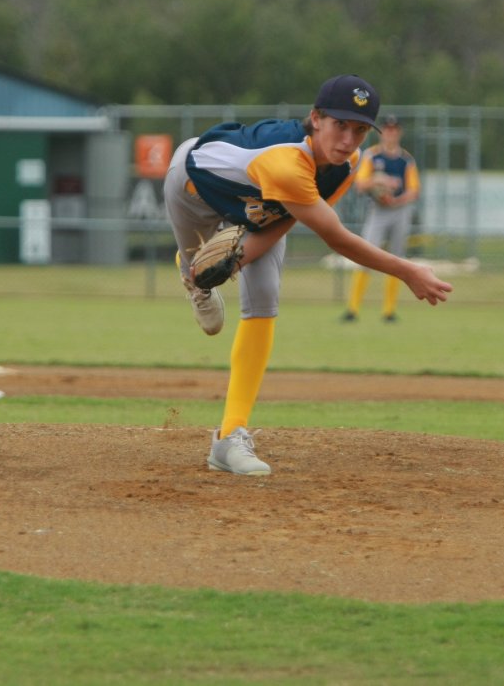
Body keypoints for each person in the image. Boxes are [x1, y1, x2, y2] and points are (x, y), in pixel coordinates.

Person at [163, 74, 453, 476]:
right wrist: (407, 270)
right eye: (340, 125)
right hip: (195, 186)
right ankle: (192, 274)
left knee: (264, 299)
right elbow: (339, 239)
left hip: (262, 203)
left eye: (360, 130)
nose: (349, 139)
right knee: (202, 279)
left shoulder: (344, 166)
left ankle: (229, 438)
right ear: (315, 119)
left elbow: (285, 220)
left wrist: (242, 258)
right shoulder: (286, 163)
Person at [340, 112, 419, 323]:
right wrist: (379, 180)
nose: (390, 133)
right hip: (378, 210)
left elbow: (413, 191)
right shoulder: (372, 156)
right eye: (387, 129)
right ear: (381, 133)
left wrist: (396, 199)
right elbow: (360, 184)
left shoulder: (406, 160)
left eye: (394, 129)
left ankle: (389, 311)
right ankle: (353, 309)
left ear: (399, 133)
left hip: (399, 211)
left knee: (397, 258)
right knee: (365, 255)